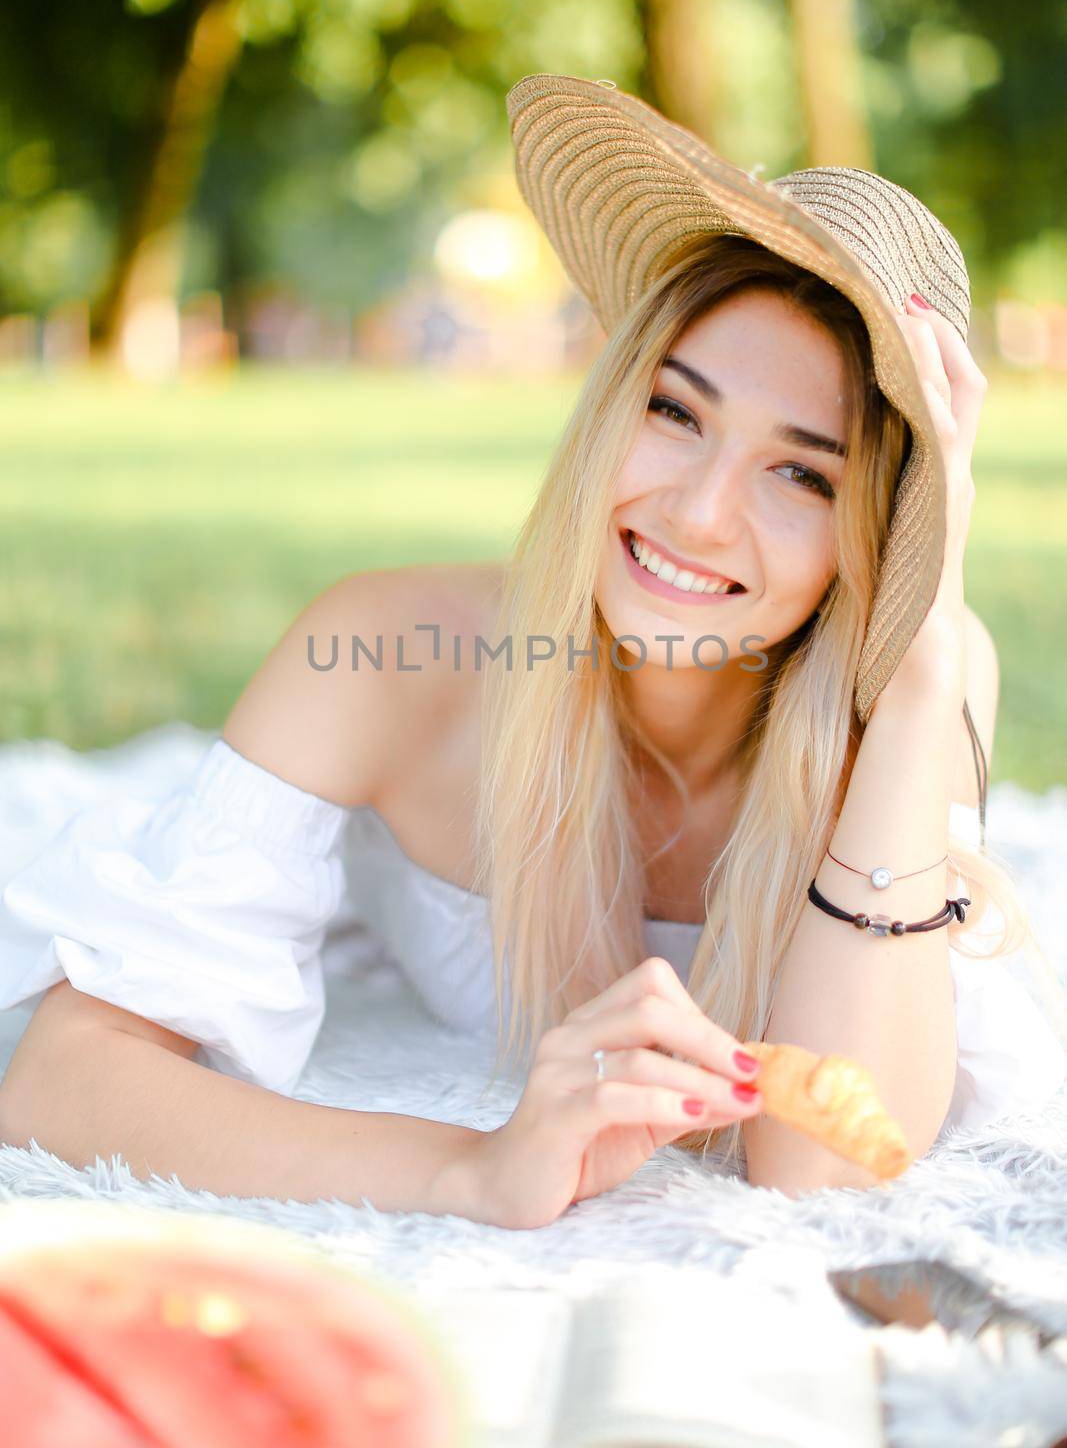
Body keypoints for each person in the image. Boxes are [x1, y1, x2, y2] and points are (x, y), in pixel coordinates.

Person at [1, 76, 1065, 1230]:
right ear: (611, 403)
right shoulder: (379, 653)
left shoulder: (914, 695)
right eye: (674, 412)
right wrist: (468, 1169)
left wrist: (914, 682)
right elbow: (63, 1080)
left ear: (874, 537)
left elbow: (828, 1164)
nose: (700, 514)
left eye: (803, 473)